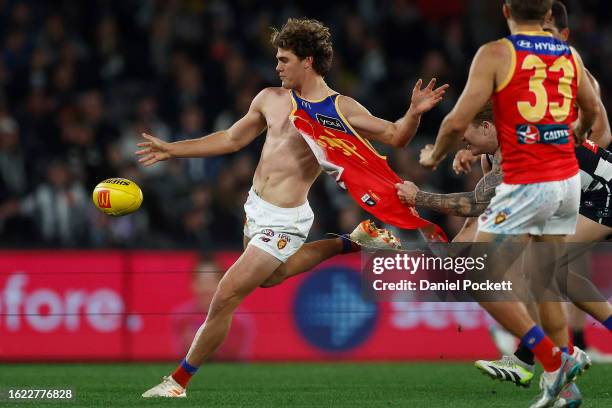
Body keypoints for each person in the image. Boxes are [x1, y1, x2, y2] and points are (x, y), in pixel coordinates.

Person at [137, 18, 446, 398]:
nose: (277, 66)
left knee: (226, 294)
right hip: (256, 209)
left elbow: (396, 136)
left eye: (284, 59)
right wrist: (173, 149)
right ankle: (350, 242)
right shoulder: (269, 98)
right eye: (277, 59)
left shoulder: (339, 108)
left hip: (286, 220)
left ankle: (178, 382)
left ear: (308, 61)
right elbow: (232, 138)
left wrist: (414, 112)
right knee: (269, 278)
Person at [416, 0, 600, 406]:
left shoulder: (498, 53)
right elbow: (593, 113)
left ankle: (555, 359)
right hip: (567, 181)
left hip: (529, 180)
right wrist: (571, 136)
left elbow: (455, 120)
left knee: (477, 272)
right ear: (547, 16)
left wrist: (435, 155)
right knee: (543, 281)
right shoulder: (569, 54)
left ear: (505, 11)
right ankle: (564, 384)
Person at [397, 104, 612, 405]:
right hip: (582, 192)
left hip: (603, 192)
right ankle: (546, 357)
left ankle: (543, 355)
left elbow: (474, 205)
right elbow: (477, 217)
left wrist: (418, 198)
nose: (463, 144)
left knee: (535, 268)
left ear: (487, 127)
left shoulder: (515, 153)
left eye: (466, 136)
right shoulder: (496, 152)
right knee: (549, 270)